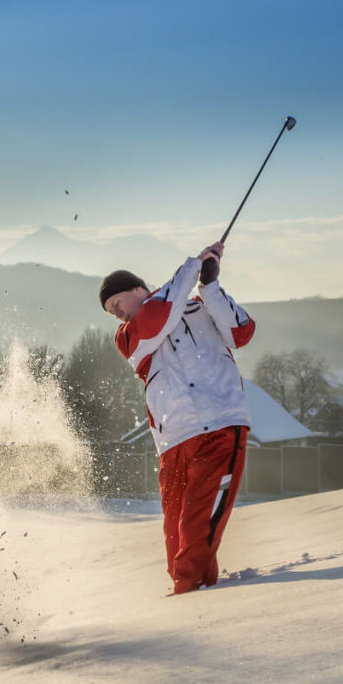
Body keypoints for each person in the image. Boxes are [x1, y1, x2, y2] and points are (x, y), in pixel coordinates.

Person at [99, 242, 256, 595]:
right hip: (173, 444)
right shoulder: (129, 337)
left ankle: (188, 597)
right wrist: (192, 267)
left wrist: (210, 286)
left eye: (116, 304)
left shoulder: (202, 308)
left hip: (220, 428)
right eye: (110, 311)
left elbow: (241, 332)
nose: (116, 314)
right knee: (178, 533)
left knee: (198, 526)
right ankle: (197, 593)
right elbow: (156, 319)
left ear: (137, 289)